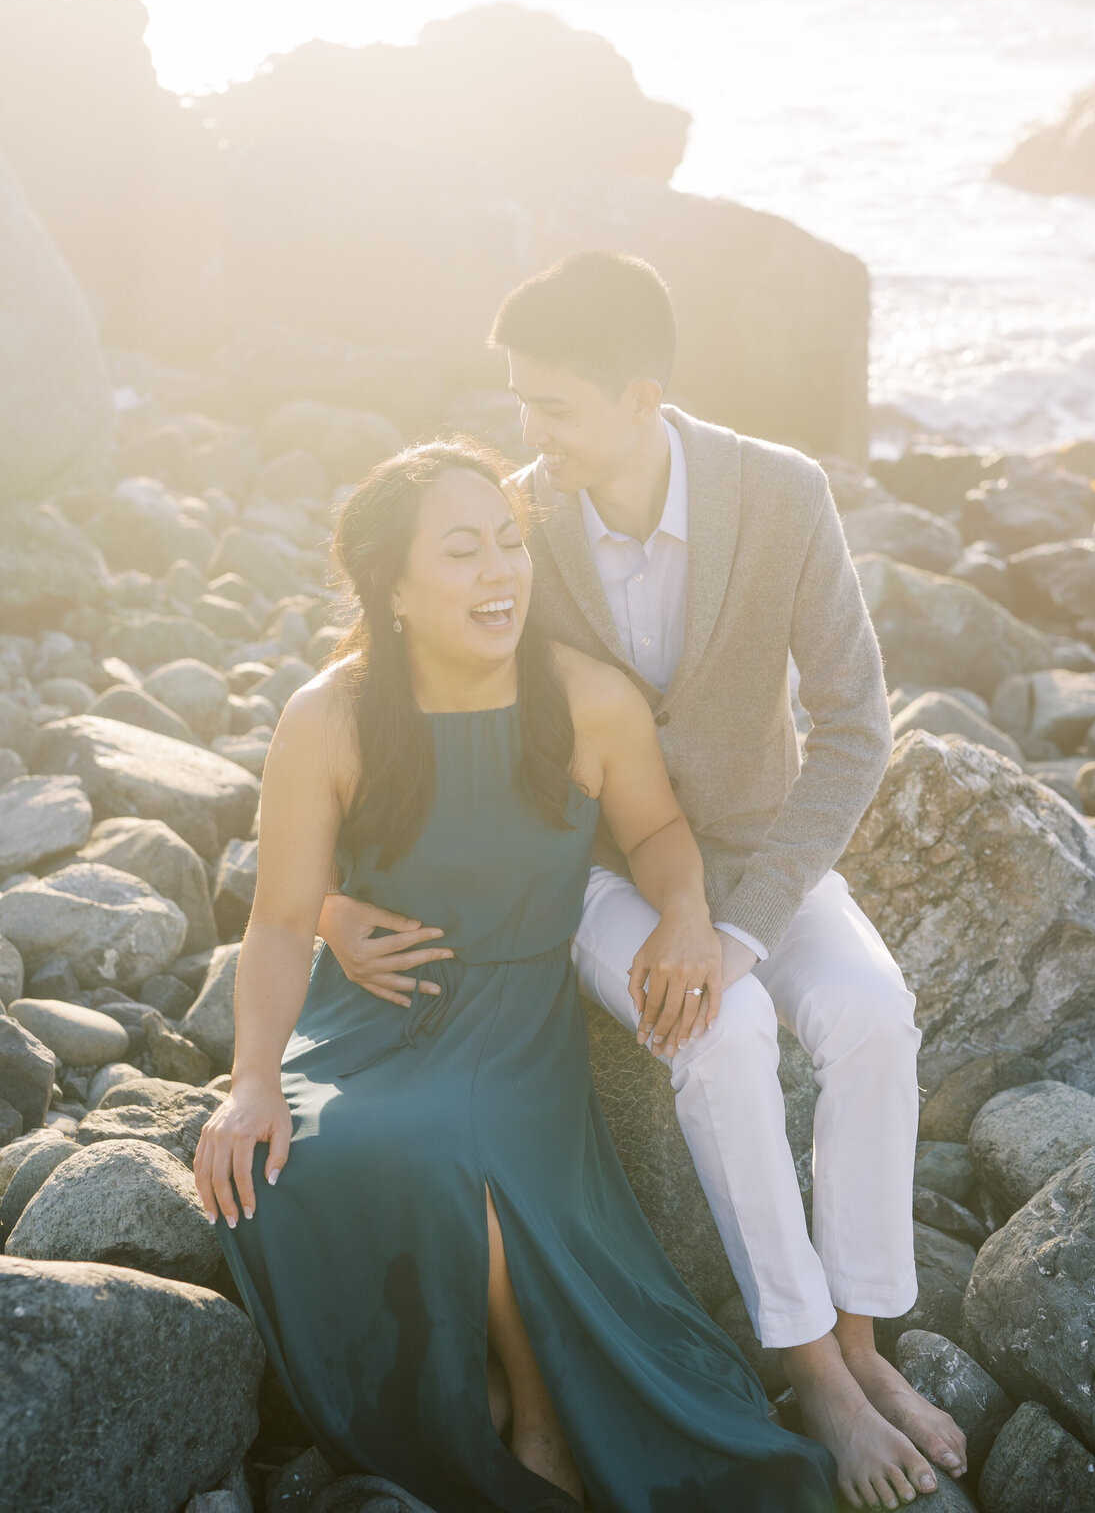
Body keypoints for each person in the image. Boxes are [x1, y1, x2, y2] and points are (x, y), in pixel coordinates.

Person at [318, 252, 969, 1512]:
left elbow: (855, 726)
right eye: (519, 401)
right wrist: (338, 886)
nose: (528, 433)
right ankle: (811, 1373)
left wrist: (742, 920)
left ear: (640, 397)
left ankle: (865, 1341)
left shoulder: (781, 494)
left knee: (877, 1019)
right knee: (718, 1033)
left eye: (551, 404)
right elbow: (394, 682)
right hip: (598, 871)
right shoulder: (520, 523)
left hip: (766, 859)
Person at [194, 436, 840, 1513]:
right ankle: (470, 1393)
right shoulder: (331, 715)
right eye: (462, 552)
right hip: (370, 1023)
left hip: (514, 1024)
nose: (501, 573)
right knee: (307, 1159)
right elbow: (278, 922)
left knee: (457, 1152)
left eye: (509, 543)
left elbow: (660, 833)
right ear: (394, 589)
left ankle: (536, 1420)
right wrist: (253, 1075)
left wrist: (684, 913)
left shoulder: (587, 698)